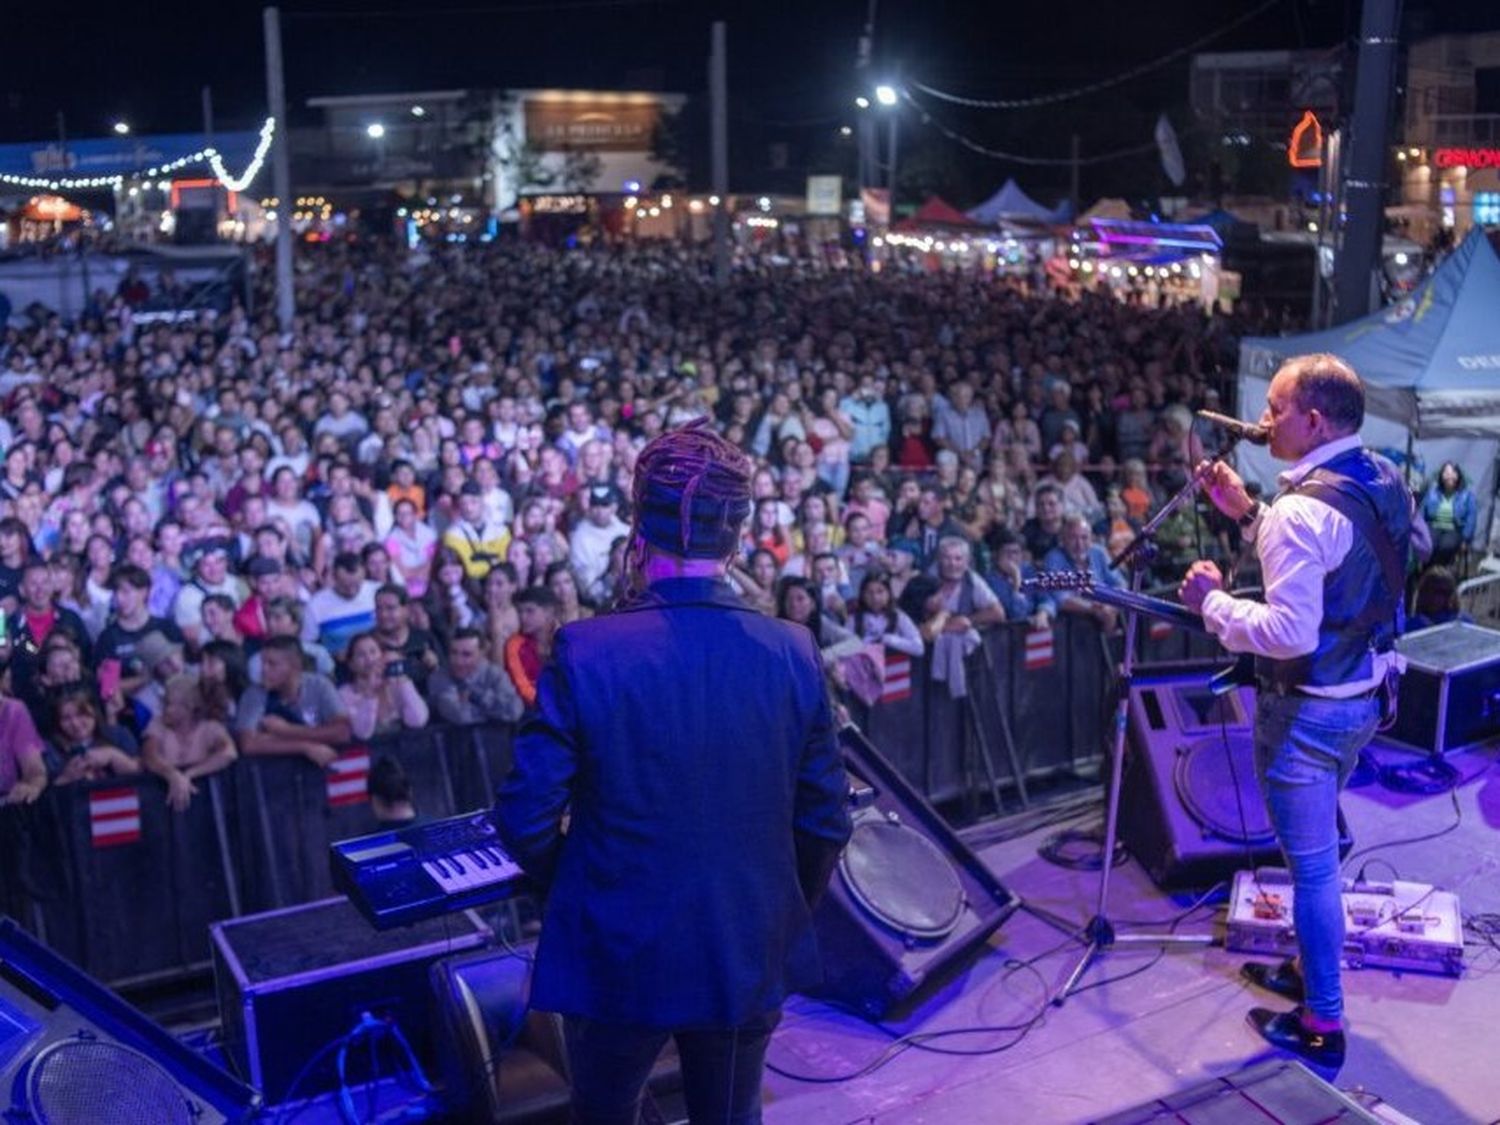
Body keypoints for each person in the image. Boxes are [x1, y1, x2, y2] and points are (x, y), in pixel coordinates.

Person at [495, 419, 850, 1123]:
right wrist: (773, 915)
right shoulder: (792, 649)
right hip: (743, 942)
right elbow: (826, 822)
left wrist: (587, 893)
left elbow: (525, 817)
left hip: (621, 945)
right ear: (738, 535)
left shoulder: (588, 650)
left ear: (639, 526)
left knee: (605, 1112)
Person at [1179, 353, 1413, 1071]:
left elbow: (1290, 632)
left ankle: (1322, 1018)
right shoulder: (1381, 473)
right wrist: (1249, 513)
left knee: (1312, 873)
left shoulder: (1300, 511)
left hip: (1307, 718)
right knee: (1314, 860)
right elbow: (1332, 565)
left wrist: (1211, 604)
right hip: (1362, 701)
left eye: (1277, 407)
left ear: (1313, 419)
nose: (1265, 418)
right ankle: (1310, 973)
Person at [235, 635, 353, 768]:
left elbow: (342, 732)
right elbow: (248, 744)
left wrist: (286, 731)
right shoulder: (254, 694)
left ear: (295, 666)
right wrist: (305, 747)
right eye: (263, 663)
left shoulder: (319, 685)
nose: (264, 670)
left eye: (272, 664)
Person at [142, 675, 238, 811]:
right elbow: (150, 757)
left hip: (204, 805)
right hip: (163, 804)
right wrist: (172, 775)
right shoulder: (157, 725)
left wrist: (189, 775)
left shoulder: (210, 728)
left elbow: (229, 753)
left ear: (189, 707)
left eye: (168, 704)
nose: (164, 709)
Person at [338, 632, 430, 740]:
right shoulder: (345, 693)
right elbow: (362, 733)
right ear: (351, 664)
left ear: (382, 655)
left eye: (373, 652)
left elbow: (418, 720)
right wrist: (370, 694)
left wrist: (403, 681)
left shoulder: (396, 684)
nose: (369, 659)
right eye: (361, 655)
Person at [428, 627, 524, 725]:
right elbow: (461, 716)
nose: (458, 661)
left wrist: (475, 696)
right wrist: (496, 711)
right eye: (454, 653)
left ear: (481, 654)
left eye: (466, 654)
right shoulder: (439, 677)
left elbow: (514, 711)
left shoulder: (495, 674)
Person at [1420, 461, 1477, 570]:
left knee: (1446, 546)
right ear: (1441, 476)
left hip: (1454, 529)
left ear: (1458, 476)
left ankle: (1435, 572)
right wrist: (1420, 531)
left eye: (1453, 472)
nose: (1450, 475)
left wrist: (1466, 539)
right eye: (1446, 472)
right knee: (1429, 544)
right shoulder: (1432, 492)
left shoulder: (1467, 495)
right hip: (1433, 526)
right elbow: (1422, 512)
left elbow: (1471, 519)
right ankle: (1430, 573)